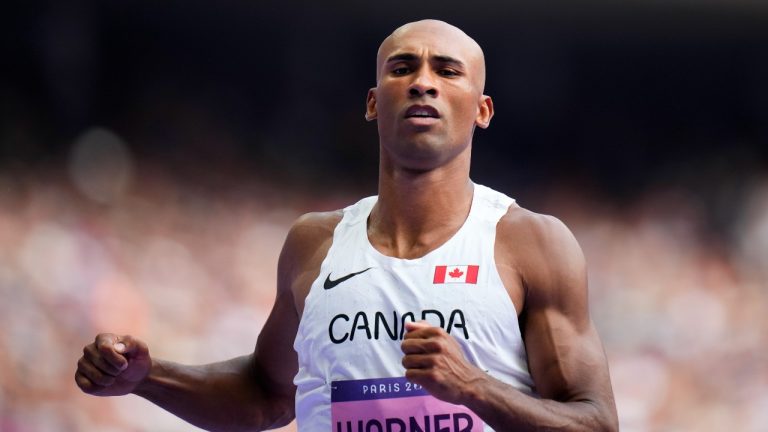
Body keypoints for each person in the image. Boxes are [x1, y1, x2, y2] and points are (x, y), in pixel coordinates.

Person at [75, 19, 618, 431]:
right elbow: (266, 393)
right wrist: (146, 378)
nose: (423, 82)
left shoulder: (530, 242)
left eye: (447, 71)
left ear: (482, 110)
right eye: (402, 68)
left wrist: (474, 387)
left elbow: (595, 421)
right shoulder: (316, 243)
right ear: (372, 102)